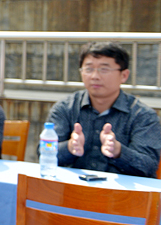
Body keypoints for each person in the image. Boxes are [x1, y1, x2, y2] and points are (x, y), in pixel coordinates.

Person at [49, 42, 161, 177]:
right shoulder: (65, 108)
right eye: (89, 69)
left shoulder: (143, 116)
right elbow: (43, 153)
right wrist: (69, 147)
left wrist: (119, 151)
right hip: (73, 188)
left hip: (121, 190)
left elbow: (149, 165)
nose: (94, 76)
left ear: (124, 75)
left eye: (104, 69)